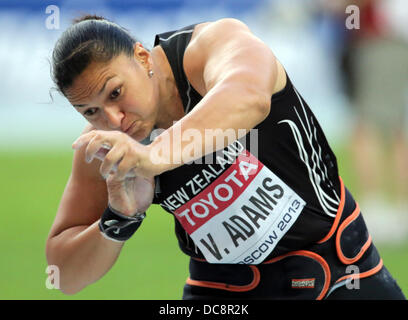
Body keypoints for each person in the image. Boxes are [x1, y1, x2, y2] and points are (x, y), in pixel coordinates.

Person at [45, 15, 405, 300]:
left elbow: (249, 97)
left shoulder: (211, 46)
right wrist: (120, 218)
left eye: (116, 93)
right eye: (90, 112)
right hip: (223, 292)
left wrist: (153, 156)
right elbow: (63, 274)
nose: (114, 120)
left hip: (338, 276)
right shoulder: (107, 148)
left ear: (142, 57)